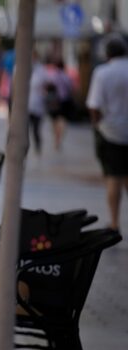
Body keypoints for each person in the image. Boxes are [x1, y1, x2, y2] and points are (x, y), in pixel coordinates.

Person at [86, 36, 128, 234]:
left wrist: (97, 124)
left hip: (110, 132)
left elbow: (94, 105)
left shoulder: (102, 73)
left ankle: (114, 222)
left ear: (107, 53)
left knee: (113, 177)